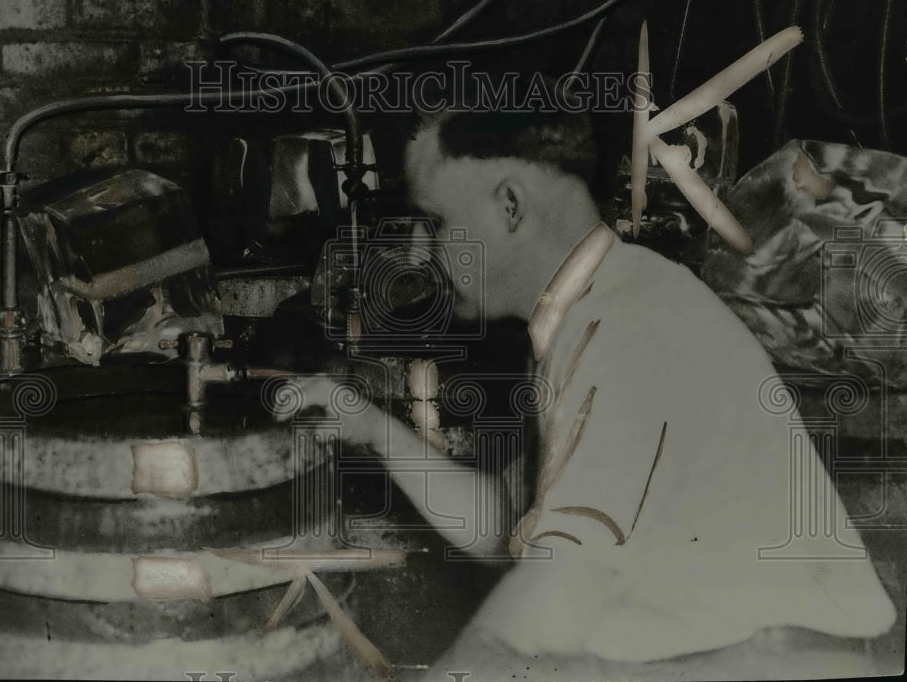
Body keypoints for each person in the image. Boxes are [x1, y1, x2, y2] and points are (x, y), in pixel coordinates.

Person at [281, 107, 898, 681]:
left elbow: (538, 619)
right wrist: (373, 427)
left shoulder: (628, 324)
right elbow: (503, 527)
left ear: (511, 205)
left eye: (437, 223)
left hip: (772, 665)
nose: (424, 253)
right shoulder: (588, 310)